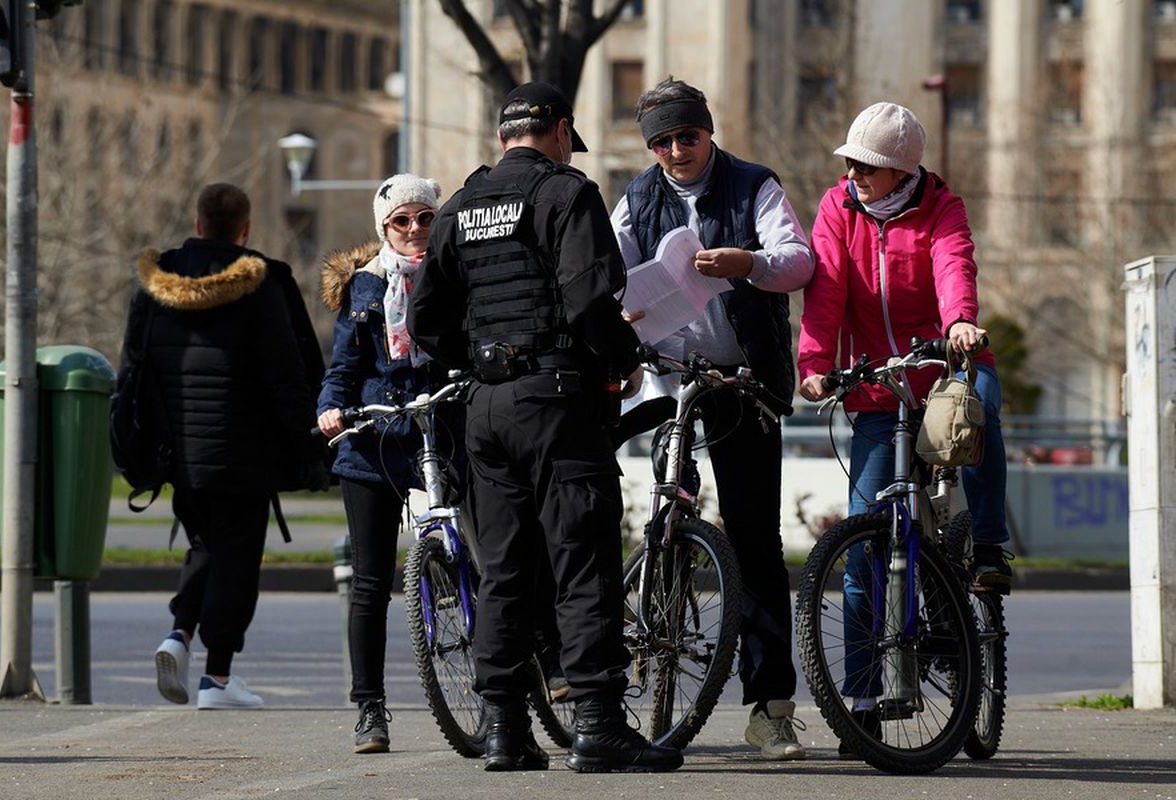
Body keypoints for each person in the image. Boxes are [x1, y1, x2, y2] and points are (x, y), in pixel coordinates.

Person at [407, 81, 681, 774]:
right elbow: (589, 299)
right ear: (560, 130)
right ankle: (598, 725)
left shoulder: (461, 205)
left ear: (503, 137)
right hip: (557, 401)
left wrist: (481, 358)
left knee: (503, 570)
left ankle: (504, 728)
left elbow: (425, 320)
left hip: (485, 408)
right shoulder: (566, 194)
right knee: (581, 560)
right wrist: (621, 361)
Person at [796, 101, 1013, 755]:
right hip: (876, 383)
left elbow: (953, 264)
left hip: (945, 366)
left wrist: (960, 323)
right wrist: (814, 364)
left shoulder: (942, 206)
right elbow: (826, 291)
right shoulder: (837, 208)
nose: (855, 174)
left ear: (902, 169)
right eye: (851, 163)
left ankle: (988, 548)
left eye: (869, 166)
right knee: (862, 540)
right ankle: (863, 703)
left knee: (979, 414)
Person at [609, 77, 814, 761]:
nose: (676, 150)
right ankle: (656, 629)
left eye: (687, 136)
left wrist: (748, 262)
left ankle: (770, 708)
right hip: (669, 376)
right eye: (662, 142)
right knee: (664, 514)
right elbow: (610, 279)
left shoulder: (754, 185)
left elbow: (798, 262)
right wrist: (622, 318)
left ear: (708, 132)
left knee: (755, 536)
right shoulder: (636, 198)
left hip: (741, 380)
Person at [123, 183, 323, 710]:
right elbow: (287, 373)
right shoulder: (261, 282)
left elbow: (134, 367)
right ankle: (217, 678)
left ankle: (179, 634)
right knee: (237, 559)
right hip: (245, 452)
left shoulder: (158, 281)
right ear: (245, 228)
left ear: (197, 223)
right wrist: (310, 443)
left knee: (204, 544)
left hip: (179, 451)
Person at [316, 174, 460, 753]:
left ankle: (516, 679)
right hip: (376, 436)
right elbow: (344, 368)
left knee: (489, 551)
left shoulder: (455, 274)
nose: (414, 229)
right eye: (402, 220)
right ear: (384, 227)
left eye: (425, 217)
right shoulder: (365, 286)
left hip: (441, 429)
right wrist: (331, 409)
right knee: (370, 582)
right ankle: (369, 709)